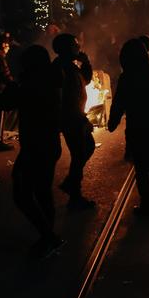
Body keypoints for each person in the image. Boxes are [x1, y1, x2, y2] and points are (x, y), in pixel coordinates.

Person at [11, 45, 65, 259]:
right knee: (42, 192)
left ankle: (49, 236)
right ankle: (48, 236)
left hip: (37, 145)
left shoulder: (33, 84)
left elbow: (8, 101)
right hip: (46, 143)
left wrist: (14, 83)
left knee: (23, 192)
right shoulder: (49, 79)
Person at [108, 39, 149, 215]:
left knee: (141, 167)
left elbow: (119, 102)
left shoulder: (127, 77)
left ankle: (146, 202)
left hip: (137, 126)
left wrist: (112, 122)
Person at [52, 33, 96, 210]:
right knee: (80, 153)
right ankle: (75, 195)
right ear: (66, 48)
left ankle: (72, 184)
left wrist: (86, 64)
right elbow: (60, 97)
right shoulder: (59, 68)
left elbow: (85, 80)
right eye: (75, 45)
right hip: (71, 118)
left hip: (76, 116)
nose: (78, 48)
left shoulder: (70, 66)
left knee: (86, 148)